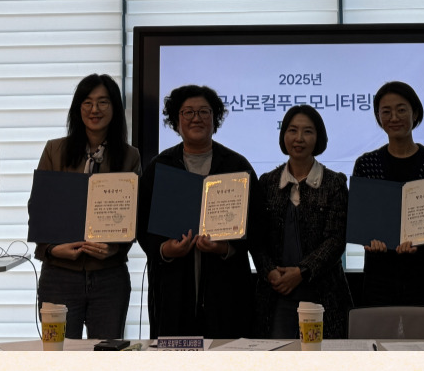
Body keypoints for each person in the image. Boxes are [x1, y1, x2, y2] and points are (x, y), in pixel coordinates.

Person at [137, 85, 259, 338]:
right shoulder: (160, 166)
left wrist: (226, 248)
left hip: (225, 288)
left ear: (215, 119)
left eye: (204, 111)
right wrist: (164, 250)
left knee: (226, 354)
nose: (196, 118)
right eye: (188, 112)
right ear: (176, 120)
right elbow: (141, 223)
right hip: (173, 286)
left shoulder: (237, 166)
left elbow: (257, 224)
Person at [34, 74, 141, 340]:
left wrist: (115, 249)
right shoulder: (54, 150)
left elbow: (134, 213)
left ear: (114, 108)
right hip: (59, 274)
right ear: (77, 108)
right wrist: (51, 249)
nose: (95, 109)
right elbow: (39, 207)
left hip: (108, 277)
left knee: (106, 355)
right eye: (87, 102)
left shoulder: (130, 156)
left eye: (103, 102)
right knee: (57, 354)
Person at [351, 80, 424, 308]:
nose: (394, 118)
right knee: (377, 332)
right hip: (379, 278)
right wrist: (369, 239)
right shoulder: (366, 164)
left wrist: (422, 241)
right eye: (386, 111)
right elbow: (361, 217)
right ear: (378, 117)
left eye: (401, 110)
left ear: (415, 113)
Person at [254, 105, 352, 339]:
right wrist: (269, 272)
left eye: (308, 131)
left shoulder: (334, 183)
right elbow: (256, 238)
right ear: (283, 135)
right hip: (276, 295)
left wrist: (302, 272)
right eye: (292, 130)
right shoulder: (267, 182)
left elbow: (336, 239)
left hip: (323, 295)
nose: (299, 138)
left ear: (318, 137)